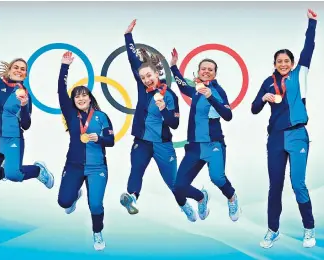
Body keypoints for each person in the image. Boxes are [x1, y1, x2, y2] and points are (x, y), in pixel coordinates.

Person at [251, 9, 317, 249]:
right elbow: (253, 108)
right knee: (275, 185)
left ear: (292, 63)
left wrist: (312, 23)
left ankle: (308, 229)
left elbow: (308, 48)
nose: (283, 64)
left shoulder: (300, 75)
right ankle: (273, 230)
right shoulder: (268, 82)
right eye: (279, 61)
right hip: (275, 138)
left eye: (286, 61)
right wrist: (264, 98)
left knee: (298, 183)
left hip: (298, 135)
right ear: (275, 64)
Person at [0, 17, 54, 190]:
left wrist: (25, 106)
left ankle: (37, 170)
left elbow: (26, 125)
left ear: (25, 75)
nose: (19, 70)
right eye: (16, 67)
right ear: (10, 70)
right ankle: (3, 170)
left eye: (23, 69)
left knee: (15, 175)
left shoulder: (25, 95)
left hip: (12, 139)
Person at [170, 48, 240, 222]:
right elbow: (181, 85)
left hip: (213, 144)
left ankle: (232, 198)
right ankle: (201, 198)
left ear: (215, 74)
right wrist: (173, 66)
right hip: (194, 146)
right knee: (179, 186)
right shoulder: (196, 89)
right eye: (203, 68)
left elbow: (228, 116)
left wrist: (211, 97)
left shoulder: (218, 91)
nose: (206, 71)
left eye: (210, 69)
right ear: (199, 72)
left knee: (217, 177)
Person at [119, 19, 181, 215]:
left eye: (149, 76)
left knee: (174, 183)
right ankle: (132, 197)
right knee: (136, 169)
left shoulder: (169, 95)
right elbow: (132, 61)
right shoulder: (142, 87)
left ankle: (186, 205)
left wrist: (163, 109)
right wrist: (128, 36)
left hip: (163, 144)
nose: (146, 79)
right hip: (142, 142)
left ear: (157, 73)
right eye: (143, 77)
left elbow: (175, 123)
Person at [57, 51, 115, 251]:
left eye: (84, 95)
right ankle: (74, 194)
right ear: (73, 101)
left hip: (97, 167)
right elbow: (60, 91)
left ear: (90, 98)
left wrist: (99, 138)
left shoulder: (102, 116)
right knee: (64, 203)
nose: (80, 99)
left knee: (96, 206)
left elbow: (111, 141)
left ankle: (97, 232)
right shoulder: (71, 115)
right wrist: (65, 66)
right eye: (77, 96)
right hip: (73, 165)